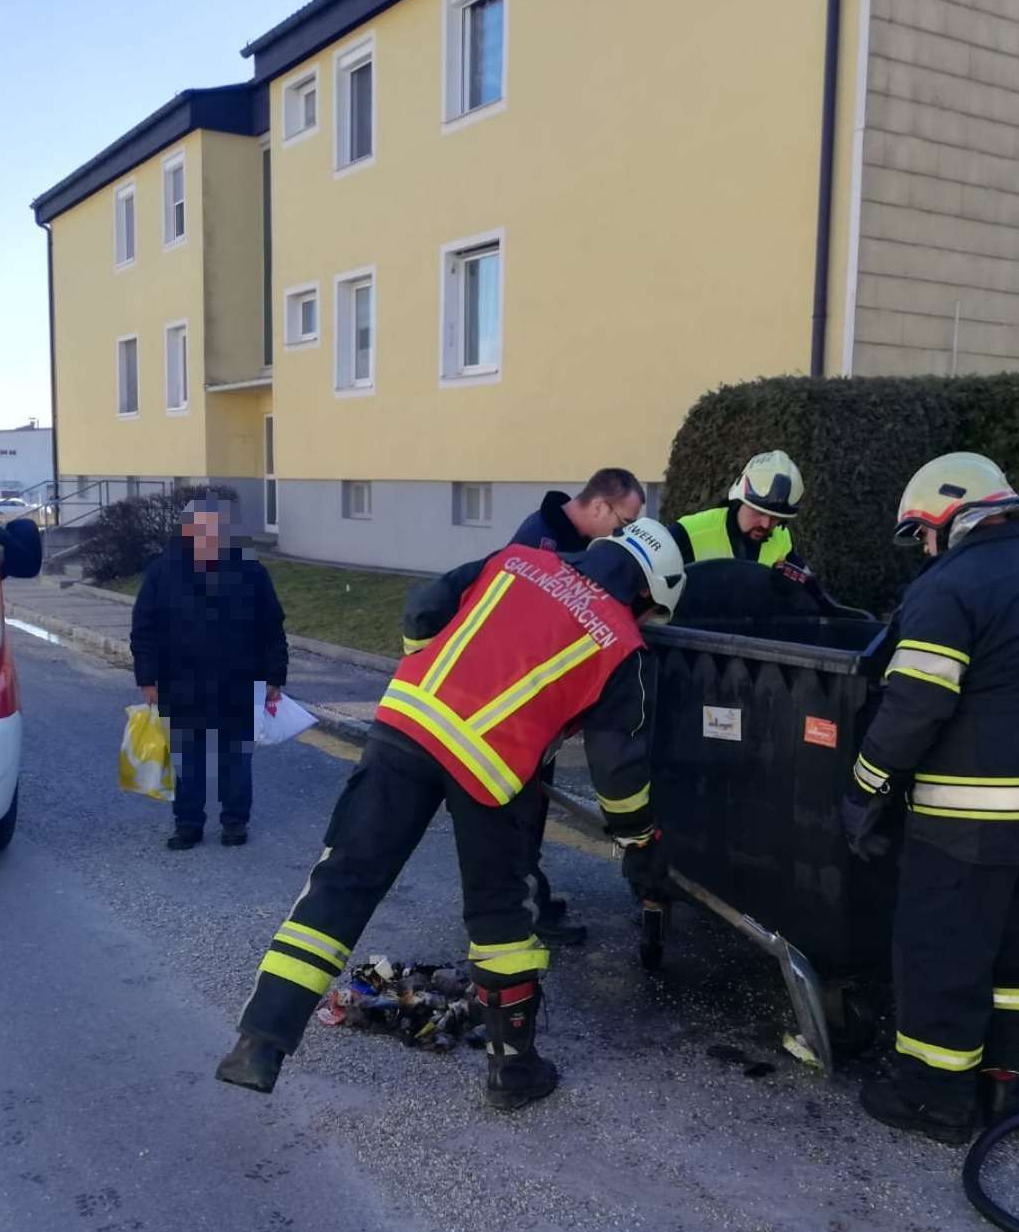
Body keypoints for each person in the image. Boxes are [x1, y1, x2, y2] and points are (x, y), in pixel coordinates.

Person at [215, 520, 685, 1111]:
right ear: (648, 595)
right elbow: (618, 773)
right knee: (499, 918)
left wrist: (433, 677)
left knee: (342, 883)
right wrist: (640, 838)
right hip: (493, 767)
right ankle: (513, 1070)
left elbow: (422, 611)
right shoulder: (624, 644)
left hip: (404, 729)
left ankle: (259, 1042)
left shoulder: (516, 560)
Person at [841, 452, 1019, 1146]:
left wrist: (865, 788)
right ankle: (1002, 1081)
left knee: (941, 956)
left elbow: (915, 706)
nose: (924, 549)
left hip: (968, 824)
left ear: (948, 517)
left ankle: (931, 1097)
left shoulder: (951, 585)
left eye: (922, 534)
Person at [503, 467, 647, 947]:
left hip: (538, 707)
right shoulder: (538, 540)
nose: (623, 537)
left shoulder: (571, 541)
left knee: (533, 809)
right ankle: (524, 913)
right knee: (519, 816)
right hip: (518, 706)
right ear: (601, 507)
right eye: (623, 523)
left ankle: (527, 895)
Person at [129, 495, 288, 850]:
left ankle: (235, 822)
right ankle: (188, 824)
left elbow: (272, 627)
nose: (207, 537)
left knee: (235, 758)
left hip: (238, 680)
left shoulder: (250, 571)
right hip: (180, 682)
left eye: (215, 530)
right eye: (199, 530)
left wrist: (275, 676)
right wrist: (147, 678)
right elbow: (145, 628)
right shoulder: (163, 571)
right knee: (188, 760)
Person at [669, 449, 814, 582]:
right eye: (759, 512)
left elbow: (808, 586)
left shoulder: (781, 539)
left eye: (775, 518)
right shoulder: (687, 533)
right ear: (739, 500)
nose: (766, 524)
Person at [510, 467, 645, 554]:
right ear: (599, 508)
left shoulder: (583, 543)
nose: (624, 533)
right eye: (624, 523)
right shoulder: (535, 541)